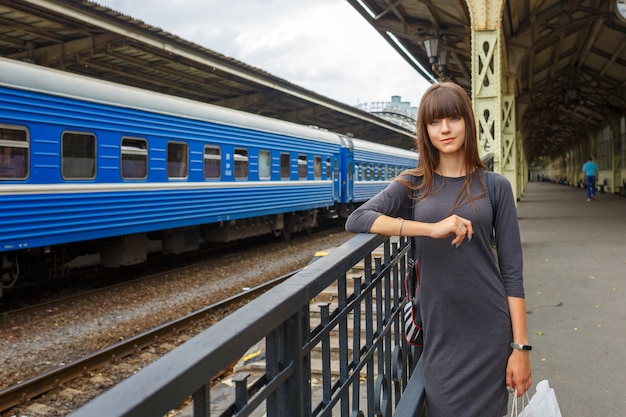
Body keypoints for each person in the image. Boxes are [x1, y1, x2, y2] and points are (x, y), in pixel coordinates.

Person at [345, 82, 531, 417]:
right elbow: (358, 218)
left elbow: (512, 273)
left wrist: (520, 348)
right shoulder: (413, 184)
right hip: (441, 334)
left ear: (467, 123)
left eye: (453, 118)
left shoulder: (495, 186)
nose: (444, 129)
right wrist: (431, 228)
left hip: (489, 331)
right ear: (425, 130)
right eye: (434, 122)